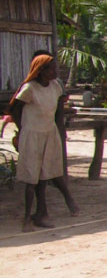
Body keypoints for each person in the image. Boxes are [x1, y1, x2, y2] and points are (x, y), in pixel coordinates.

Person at [8, 54, 79, 231]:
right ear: (41, 71)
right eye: (52, 68)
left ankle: (41, 214)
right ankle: (26, 219)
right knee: (31, 179)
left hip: (49, 132)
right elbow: (14, 110)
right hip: (32, 134)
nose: (55, 71)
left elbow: (57, 112)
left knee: (45, 175)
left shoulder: (55, 87)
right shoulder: (29, 89)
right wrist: (23, 129)